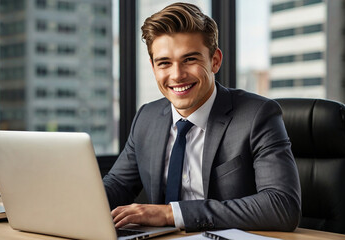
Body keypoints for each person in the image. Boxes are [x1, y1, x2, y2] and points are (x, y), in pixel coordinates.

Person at [103, 2, 301, 232]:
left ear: (215, 60)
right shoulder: (147, 117)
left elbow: (282, 206)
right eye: (164, 63)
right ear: (153, 67)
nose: (177, 75)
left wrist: (172, 214)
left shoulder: (257, 115)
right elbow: (117, 185)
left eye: (189, 59)